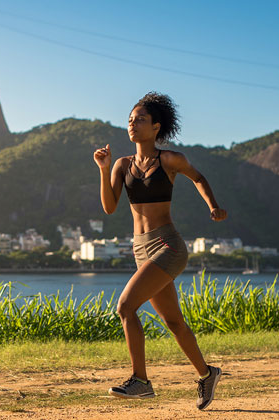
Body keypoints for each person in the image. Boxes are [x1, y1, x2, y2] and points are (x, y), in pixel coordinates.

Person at [92, 92, 227, 410]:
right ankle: (207, 374)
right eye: (129, 120)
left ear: (156, 127)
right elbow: (110, 208)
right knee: (174, 322)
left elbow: (198, 177)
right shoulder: (122, 165)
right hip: (141, 249)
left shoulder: (170, 160)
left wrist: (214, 206)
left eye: (139, 119)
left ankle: (140, 380)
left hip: (168, 245)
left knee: (125, 307)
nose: (132, 124)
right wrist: (103, 167)